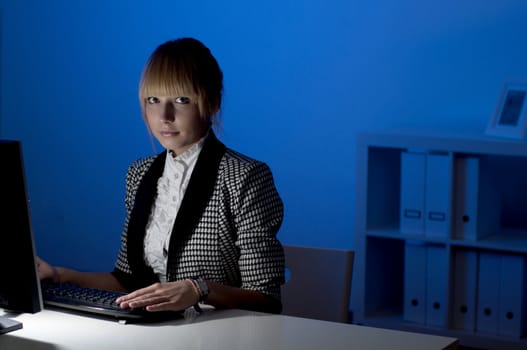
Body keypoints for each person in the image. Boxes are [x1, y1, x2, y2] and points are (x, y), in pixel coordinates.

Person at [38, 37, 285, 314]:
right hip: (155, 332)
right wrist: (59, 275)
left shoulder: (245, 176)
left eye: (181, 100)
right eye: (153, 100)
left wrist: (198, 289)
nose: (164, 116)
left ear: (212, 103)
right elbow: (127, 282)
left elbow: (266, 298)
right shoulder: (140, 173)